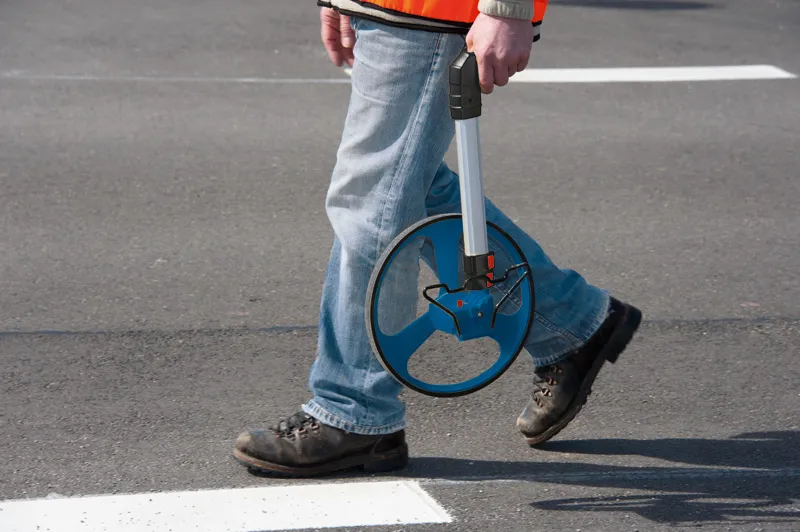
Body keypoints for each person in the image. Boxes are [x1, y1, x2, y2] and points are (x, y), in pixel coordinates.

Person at [233, 0, 642, 477]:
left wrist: (508, 8)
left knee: (374, 196)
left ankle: (355, 410)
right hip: (394, 9)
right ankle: (571, 324)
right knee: (407, 186)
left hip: (431, 12)